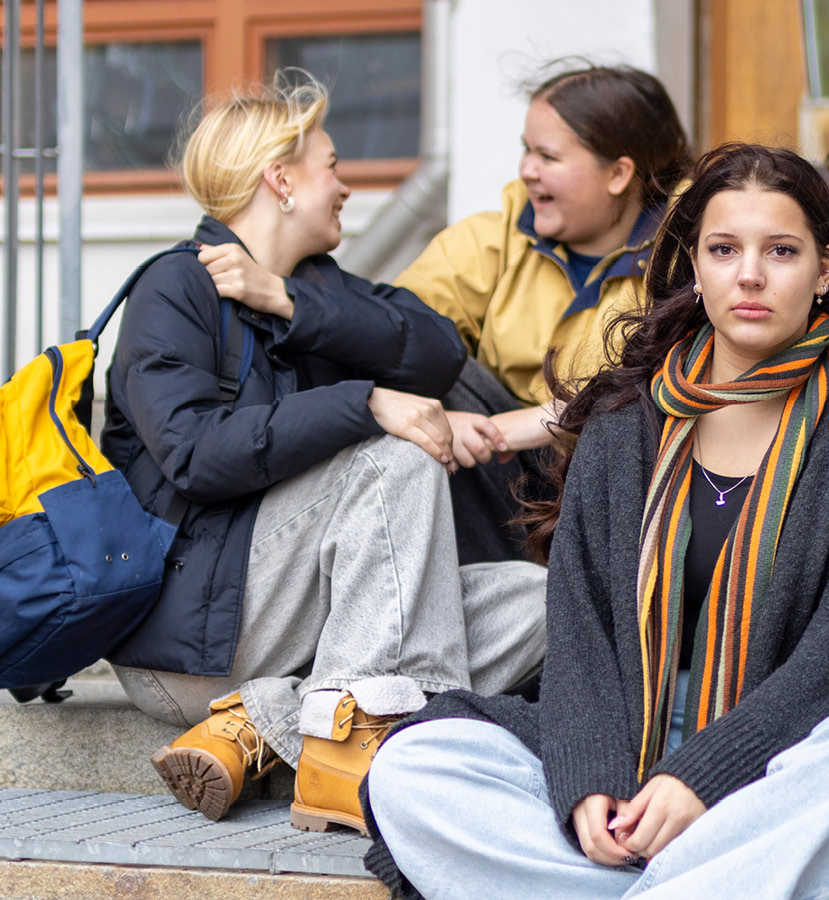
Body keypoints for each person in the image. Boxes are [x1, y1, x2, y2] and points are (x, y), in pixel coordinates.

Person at [360, 144, 829, 900]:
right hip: (629, 750)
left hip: (793, 761)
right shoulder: (623, 426)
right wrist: (589, 782)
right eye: (725, 250)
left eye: (782, 251)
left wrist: (704, 775)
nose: (751, 275)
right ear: (695, 270)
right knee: (416, 763)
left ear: (824, 272)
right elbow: (583, 637)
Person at [99, 74, 548, 833]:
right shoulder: (176, 289)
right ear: (281, 179)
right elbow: (197, 454)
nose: (346, 185)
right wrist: (364, 404)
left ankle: (271, 721)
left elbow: (437, 352)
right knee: (396, 457)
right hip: (190, 636)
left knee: (552, 602)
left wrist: (289, 302)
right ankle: (374, 752)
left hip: (291, 628)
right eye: (331, 164)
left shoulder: (321, 292)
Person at [395, 64, 693, 563]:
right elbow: (391, 330)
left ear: (619, 173)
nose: (526, 170)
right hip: (500, 465)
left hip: (615, 488)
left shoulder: (693, 253)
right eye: (526, 149)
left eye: (548, 156)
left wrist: (542, 422)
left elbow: (678, 387)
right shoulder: (497, 235)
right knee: (414, 354)